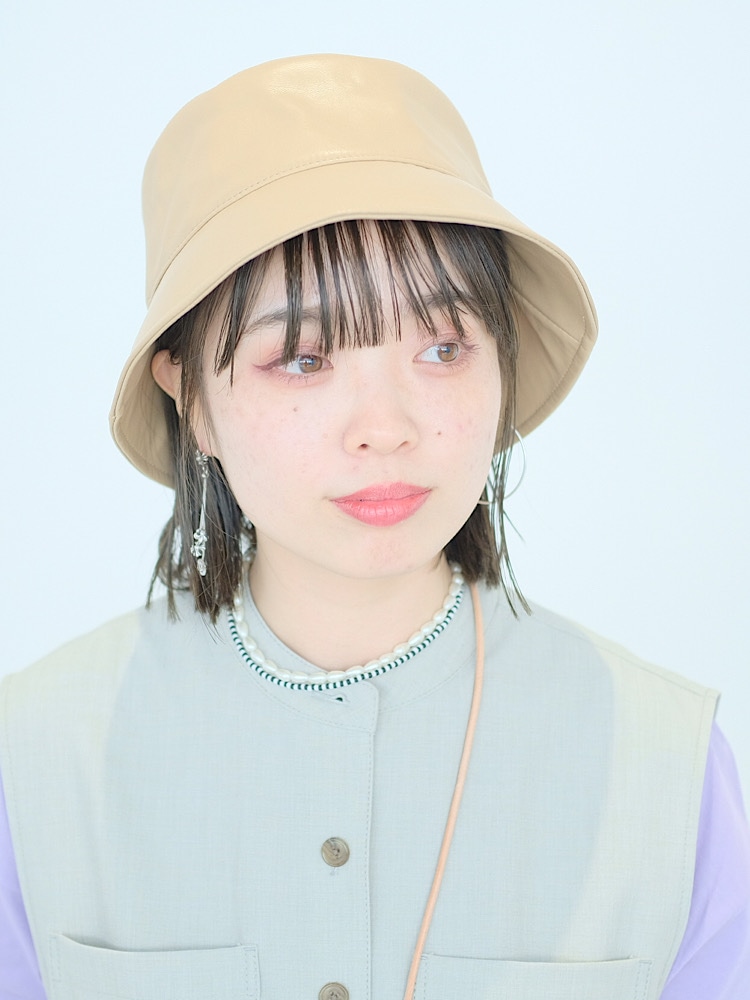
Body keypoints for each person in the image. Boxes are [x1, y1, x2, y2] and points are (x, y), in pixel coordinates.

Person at [1, 54, 748, 1000]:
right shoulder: (37, 757)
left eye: (442, 347)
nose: (386, 427)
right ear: (190, 398)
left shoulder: (664, 762)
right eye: (302, 357)